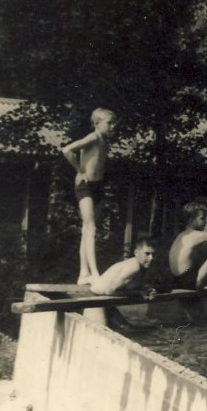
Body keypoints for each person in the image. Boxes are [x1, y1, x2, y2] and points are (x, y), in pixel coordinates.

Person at [60, 107, 118, 284]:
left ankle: (83, 273)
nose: (113, 126)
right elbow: (67, 150)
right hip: (85, 186)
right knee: (91, 229)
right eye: (109, 123)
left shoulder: (105, 141)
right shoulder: (93, 137)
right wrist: (80, 170)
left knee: (87, 230)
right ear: (97, 123)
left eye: (114, 123)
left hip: (97, 187)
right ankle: (94, 273)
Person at [85, 236, 156, 326]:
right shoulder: (134, 267)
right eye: (147, 254)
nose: (151, 258)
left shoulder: (137, 265)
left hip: (104, 300)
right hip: (94, 300)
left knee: (126, 328)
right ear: (136, 253)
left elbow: (125, 286)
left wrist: (146, 290)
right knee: (102, 331)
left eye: (153, 254)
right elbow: (109, 290)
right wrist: (139, 293)